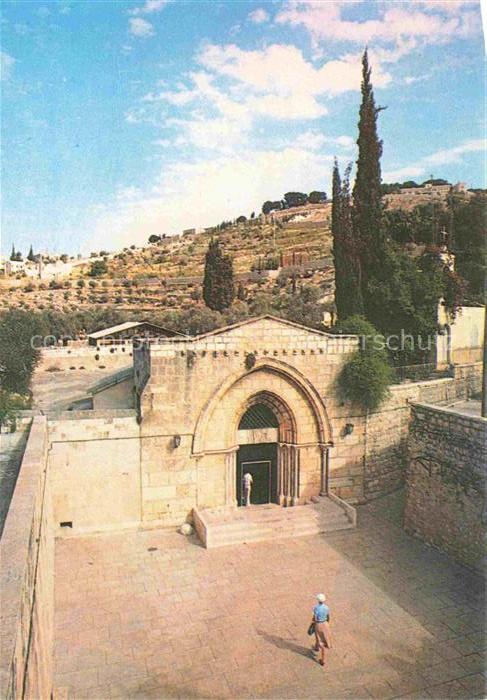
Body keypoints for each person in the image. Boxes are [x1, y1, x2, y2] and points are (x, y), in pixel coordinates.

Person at [312, 593, 331, 666]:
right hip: (325, 624)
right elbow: (328, 616)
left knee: (320, 640)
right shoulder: (326, 607)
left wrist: (314, 622)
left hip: (319, 624)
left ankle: (323, 659)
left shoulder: (316, 608)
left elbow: (315, 618)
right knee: (324, 638)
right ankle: (316, 647)